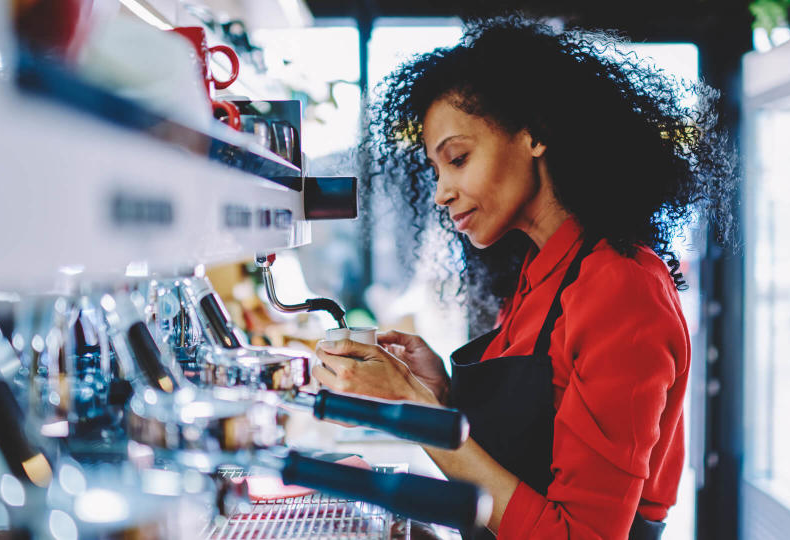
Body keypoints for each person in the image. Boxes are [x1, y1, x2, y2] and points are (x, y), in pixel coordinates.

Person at [313, 15, 736, 540]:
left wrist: (413, 407)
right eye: (436, 170)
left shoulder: (621, 287)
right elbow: (531, 449)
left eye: (458, 158)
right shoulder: (543, 271)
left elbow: (582, 535)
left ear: (534, 133)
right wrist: (437, 394)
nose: (442, 192)